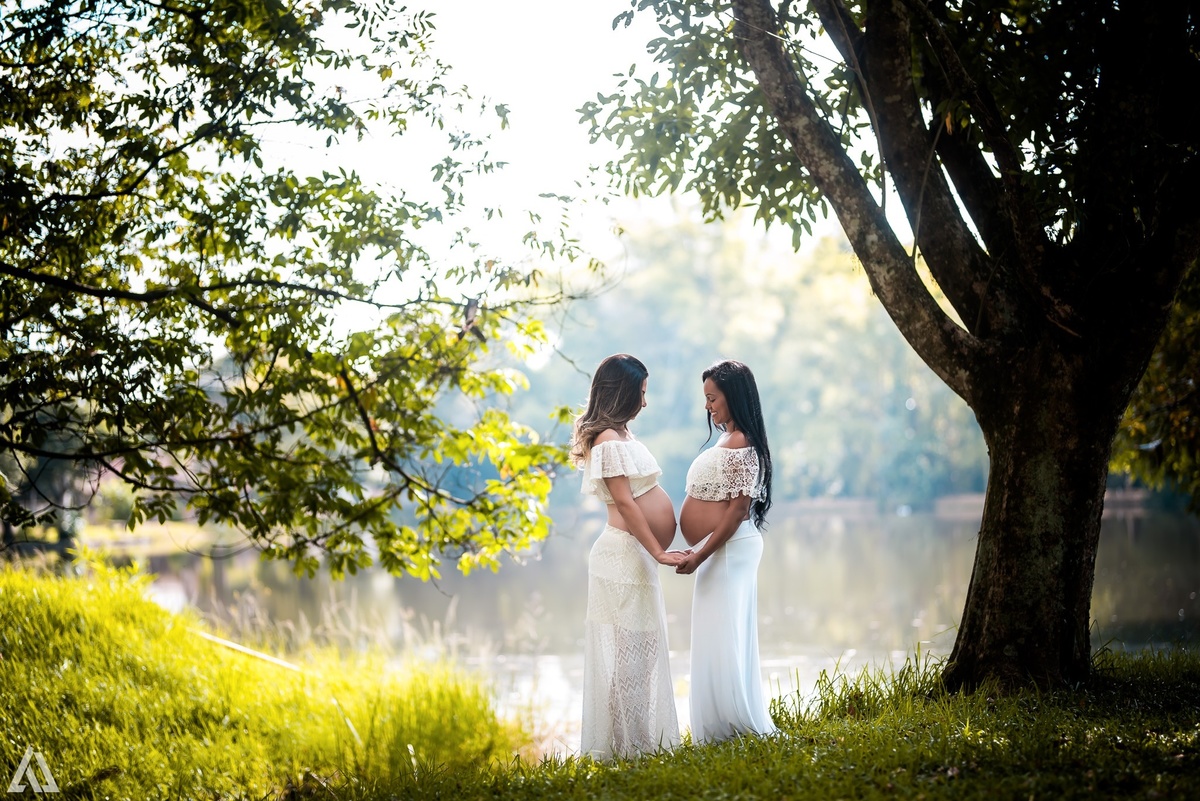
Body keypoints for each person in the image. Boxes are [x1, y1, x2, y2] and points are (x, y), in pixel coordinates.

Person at [573, 354, 685, 760]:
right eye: (641, 392)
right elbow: (625, 502)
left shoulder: (621, 436)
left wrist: (653, 551)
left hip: (633, 555)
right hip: (622, 556)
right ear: (622, 392)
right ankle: (627, 749)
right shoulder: (606, 440)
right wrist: (658, 551)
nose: (645, 401)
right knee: (631, 657)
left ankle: (634, 743)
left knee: (642, 654)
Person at [676, 359, 777, 743]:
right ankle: (719, 725)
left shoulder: (742, 443)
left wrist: (699, 555)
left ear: (733, 396)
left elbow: (737, 511)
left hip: (730, 550)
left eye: (712, 397)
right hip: (719, 549)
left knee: (724, 635)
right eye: (706, 398)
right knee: (715, 634)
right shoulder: (730, 439)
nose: (708, 406)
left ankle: (735, 724)